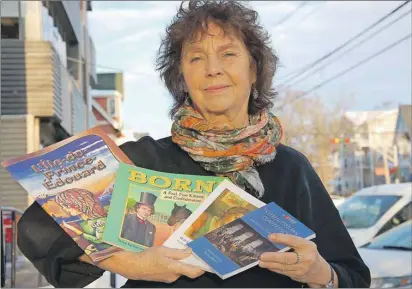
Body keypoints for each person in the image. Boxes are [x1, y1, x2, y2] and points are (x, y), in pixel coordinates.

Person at [16, 0, 371, 287]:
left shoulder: (292, 168)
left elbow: (352, 274)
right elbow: (38, 228)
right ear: (182, 78)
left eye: (228, 54)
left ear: (254, 70)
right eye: (196, 57)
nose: (213, 69)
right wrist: (131, 263)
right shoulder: (145, 160)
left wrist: (320, 274)